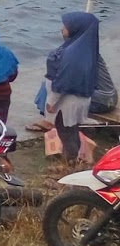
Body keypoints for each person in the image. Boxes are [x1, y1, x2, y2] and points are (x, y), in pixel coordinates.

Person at [40, 12, 101, 164]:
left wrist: (52, 102)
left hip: (67, 102)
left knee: (65, 132)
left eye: (66, 26)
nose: (62, 29)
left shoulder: (72, 53)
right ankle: (73, 159)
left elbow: (63, 80)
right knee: (72, 129)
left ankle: (69, 163)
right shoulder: (86, 49)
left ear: (76, 28)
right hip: (80, 99)